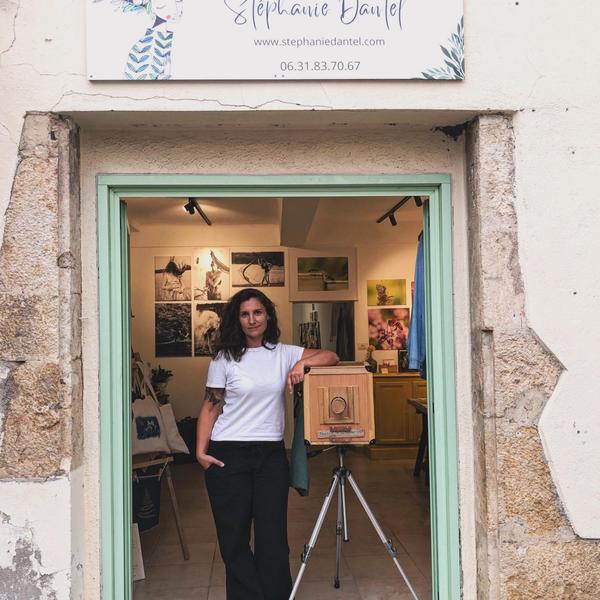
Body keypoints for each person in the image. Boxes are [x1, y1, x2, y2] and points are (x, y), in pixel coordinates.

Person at [195, 288, 339, 600]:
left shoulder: (283, 353)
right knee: (234, 538)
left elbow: (332, 356)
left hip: (270, 457)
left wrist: (303, 365)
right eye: (245, 314)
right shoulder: (224, 358)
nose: (252, 320)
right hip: (228, 454)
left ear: (268, 316)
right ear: (237, 319)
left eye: (257, 312)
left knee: (272, 538)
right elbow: (210, 406)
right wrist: (200, 452)